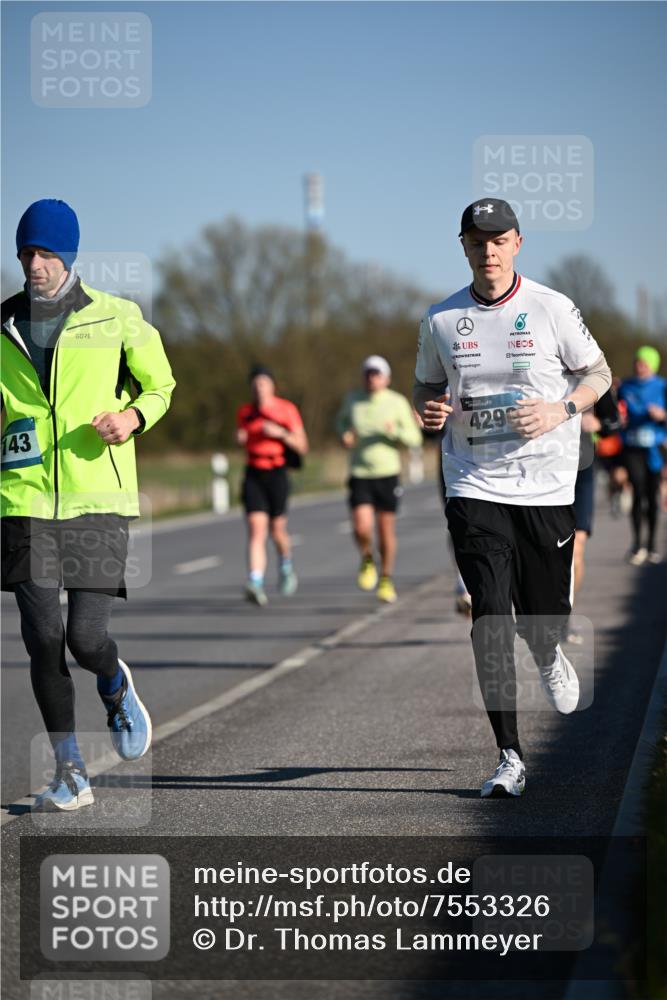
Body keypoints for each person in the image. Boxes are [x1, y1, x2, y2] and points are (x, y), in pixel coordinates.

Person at [414, 197, 612, 798]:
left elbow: (598, 375)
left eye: (499, 239)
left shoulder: (552, 308)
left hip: (548, 484)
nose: (489, 250)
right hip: (474, 482)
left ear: (518, 244)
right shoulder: (441, 319)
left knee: (541, 620)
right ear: (464, 246)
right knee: (490, 616)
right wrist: (429, 407)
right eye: (478, 240)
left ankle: (549, 652)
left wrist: (560, 408)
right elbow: (426, 382)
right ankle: (509, 755)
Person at [1, 199, 175, 811]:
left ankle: (113, 679)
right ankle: (70, 771)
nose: (35, 265)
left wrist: (132, 416)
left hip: (98, 499)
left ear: (69, 257)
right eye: (26, 253)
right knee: (42, 637)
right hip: (24, 500)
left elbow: (161, 385)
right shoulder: (3, 325)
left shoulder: (116, 318)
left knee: (85, 637)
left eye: (46, 254)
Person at [337, 355, 422, 603]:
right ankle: (367, 558)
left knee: (385, 530)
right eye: (368, 374)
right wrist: (345, 435)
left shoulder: (396, 402)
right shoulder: (353, 400)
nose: (372, 378)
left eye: (377, 374)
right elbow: (341, 423)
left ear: (386, 378)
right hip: (360, 472)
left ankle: (385, 578)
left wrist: (392, 431)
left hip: (387, 473)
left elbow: (414, 438)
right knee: (361, 527)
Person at [236, 365, 308, 606]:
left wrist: (280, 433)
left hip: (277, 472)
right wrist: (240, 439)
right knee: (257, 529)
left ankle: (286, 565)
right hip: (254, 472)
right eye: (255, 385)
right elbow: (242, 436)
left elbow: (302, 446)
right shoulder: (245, 412)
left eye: (263, 384)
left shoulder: (286, 409)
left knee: (277, 530)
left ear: (272, 386)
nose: (259, 389)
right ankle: (255, 582)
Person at [567, 388, 622, 644]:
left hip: (582, 470)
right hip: (542, 472)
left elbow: (614, 422)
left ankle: (564, 615)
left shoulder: (593, 374)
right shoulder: (536, 363)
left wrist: (598, 423)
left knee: (576, 549)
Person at [618, 346, 667, 565]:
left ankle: (653, 545)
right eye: (638, 362)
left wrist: (662, 415)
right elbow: (616, 414)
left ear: (653, 365)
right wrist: (621, 420)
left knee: (652, 496)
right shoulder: (625, 387)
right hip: (632, 447)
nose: (640, 366)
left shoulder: (662, 386)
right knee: (638, 491)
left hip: (655, 449)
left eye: (644, 363)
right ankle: (637, 545)